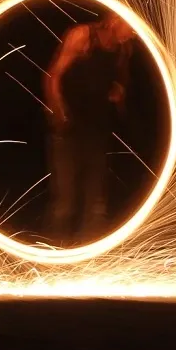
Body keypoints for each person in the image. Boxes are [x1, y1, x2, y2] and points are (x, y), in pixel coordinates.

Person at [43, 13, 137, 245]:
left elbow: (120, 81)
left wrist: (118, 92)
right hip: (68, 129)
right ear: (115, 20)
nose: (134, 33)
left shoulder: (124, 48)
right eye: (131, 27)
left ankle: (86, 263)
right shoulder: (83, 36)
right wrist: (58, 110)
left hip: (97, 132)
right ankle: (53, 256)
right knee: (64, 203)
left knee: (96, 205)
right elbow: (53, 76)